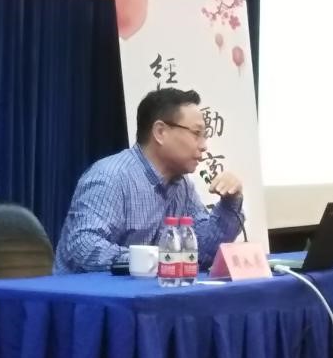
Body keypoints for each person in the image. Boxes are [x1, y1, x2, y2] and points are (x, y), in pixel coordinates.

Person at [54, 87, 245, 274]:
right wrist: (156, 259)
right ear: (160, 132)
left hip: (148, 291)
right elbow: (84, 246)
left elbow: (202, 250)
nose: (204, 146)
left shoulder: (183, 186)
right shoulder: (110, 176)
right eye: (196, 133)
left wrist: (230, 202)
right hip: (87, 293)